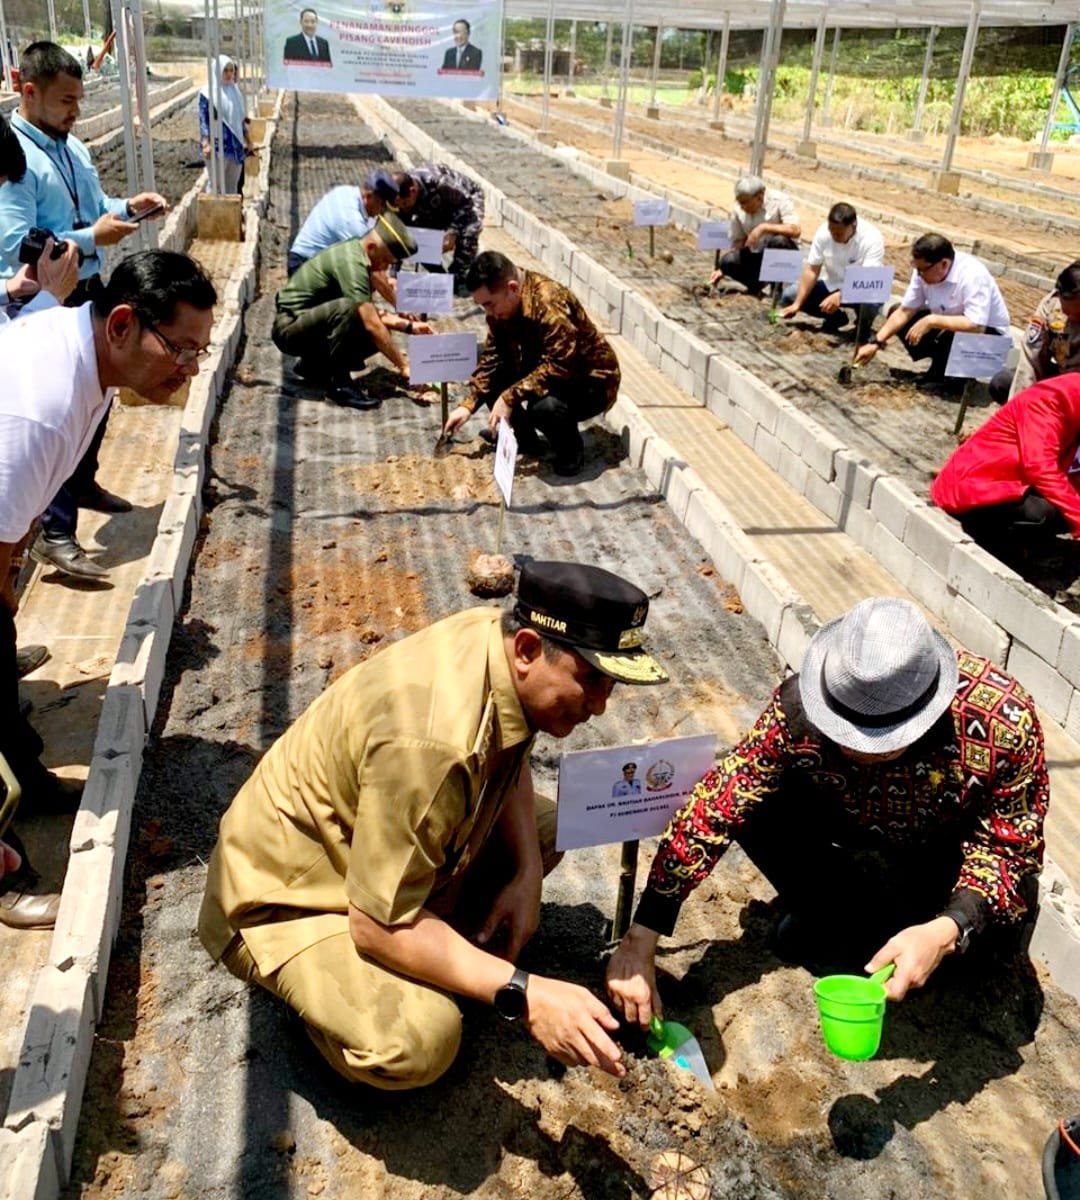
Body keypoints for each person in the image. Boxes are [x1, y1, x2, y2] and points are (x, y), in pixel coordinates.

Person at [199, 560, 669, 1089]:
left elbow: (507, 746)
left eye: (611, 685)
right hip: (284, 895)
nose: (601, 707)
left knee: (544, 831)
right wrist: (527, 993)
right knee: (422, 1041)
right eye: (592, 680)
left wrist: (528, 875)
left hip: (369, 844)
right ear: (528, 650)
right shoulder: (432, 743)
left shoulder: (498, 643)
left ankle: (436, 939)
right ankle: (321, 998)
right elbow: (374, 925)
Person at [606, 596, 1047, 1029]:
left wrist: (945, 930)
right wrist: (641, 937)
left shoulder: (1002, 722)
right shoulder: (800, 708)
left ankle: (913, 928)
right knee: (752, 802)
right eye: (842, 731)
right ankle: (827, 912)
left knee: (975, 943)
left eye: (877, 741)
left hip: (940, 856)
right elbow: (717, 806)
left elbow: (1009, 850)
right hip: (853, 828)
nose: (853, 748)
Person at [0, 250, 217, 930]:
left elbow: (20, 510)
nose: (189, 368)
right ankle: (3, 872)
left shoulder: (88, 361)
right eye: (180, 349)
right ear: (123, 323)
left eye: (199, 353)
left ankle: (30, 783)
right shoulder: (41, 405)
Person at [0, 42, 168, 584]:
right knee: (61, 409)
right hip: (44, 296)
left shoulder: (71, 148)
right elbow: (13, 244)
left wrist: (127, 209)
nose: (75, 110)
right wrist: (91, 237)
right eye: (66, 100)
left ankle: (83, 481)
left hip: (84, 285)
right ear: (29, 91)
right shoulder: (15, 160)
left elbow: (95, 208)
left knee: (98, 396)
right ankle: (54, 532)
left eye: (78, 100)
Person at [442, 251, 622, 476]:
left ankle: (570, 451)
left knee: (544, 408)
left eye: (490, 304)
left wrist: (508, 398)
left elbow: (560, 365)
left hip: (590, 381)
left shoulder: (549, 302)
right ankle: (525, 440)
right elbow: (493, 359)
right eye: (483, 306)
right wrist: (467, 406)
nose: (489, 313)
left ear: (513, 288)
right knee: (494, 378)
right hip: (549, 368)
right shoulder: (501, 309)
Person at [271, 212, 430, 410]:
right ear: (371, 247)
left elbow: (371, 314)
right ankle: (340, 385)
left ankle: (314, 366)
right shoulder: (352, 263)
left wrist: (408, 326)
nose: (385, 267)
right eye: (385, 260)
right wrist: (404, 366)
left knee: (374, 330)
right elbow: (371, 322)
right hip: (289, 328)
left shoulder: (358, 251)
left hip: (309, 322)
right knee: (350, 311)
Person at [930, 374, 1080, 564]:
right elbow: (1040, 467)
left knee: (1063, 507)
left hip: (1012, 481)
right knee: (1044, 513)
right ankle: (995, 542)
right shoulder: (1048, 402)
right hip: (976, 488)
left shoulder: (1071, 407)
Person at [853, 233, 1010, 392]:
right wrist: (876, 343)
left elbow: (976, 325)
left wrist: (931, 320)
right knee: (897, 311)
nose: (919, 274)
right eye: (917, 269)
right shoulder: (923, 271)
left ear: (944, 264)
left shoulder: (972, 275)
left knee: (951, 333)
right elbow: (905, 310)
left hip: (987, 337)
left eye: (923, 270)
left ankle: (955, 379)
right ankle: (938, 368)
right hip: (948, 321)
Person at [779, 202, 885, 336]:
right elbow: (812, 269)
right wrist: (797, 304)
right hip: (832, 284)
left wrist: (841, 294)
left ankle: (862, 329)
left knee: (872, 299)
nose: (834, 236)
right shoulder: (823, 232)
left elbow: (868, 276)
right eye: (831, 231)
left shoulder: (872, 238)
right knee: (790, 295)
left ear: (853, 226)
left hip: (862, 287)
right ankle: (836, 319)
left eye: (839, 233)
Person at [990, 261, 1080, 405]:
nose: (1071, 317)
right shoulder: (1051, 305)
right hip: (1059, 376)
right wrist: (1019, 407)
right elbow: (1031, 359)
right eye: (1067, 312)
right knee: (1003, 383)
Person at [287, 170, 398, 275]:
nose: (381, 212)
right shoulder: (352, 221)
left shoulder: (345, 191)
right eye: (382, 206)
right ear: (369, 196)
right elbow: (370, 266)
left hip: (308, 260)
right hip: (304, 266)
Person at [393, 163, 484, 286]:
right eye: (399, 205)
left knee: (469, 232)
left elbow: (466, 205)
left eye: (405, 204)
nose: (403, 208)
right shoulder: (400, 192)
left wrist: (453, 232)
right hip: (435, 206)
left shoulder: (441, 182)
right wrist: (394, 272)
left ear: (413, 191)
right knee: (419, 240)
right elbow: (399, 232)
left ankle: (458, 276)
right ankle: (440, 275)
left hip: (467, 200)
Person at [710, 174, 801, 297]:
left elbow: (796, 230)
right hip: (758, 255)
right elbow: (738, 242)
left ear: (759, 198)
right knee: (727, 261)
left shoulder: (780, 201)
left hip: (783, 258)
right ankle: (754, 286)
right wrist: (723, 269)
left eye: (745, 203)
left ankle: (777, 291)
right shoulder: (738, 209)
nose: (742, 207)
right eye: (740, 203)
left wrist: (764, 228)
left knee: (779, 241)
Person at [199, 54, 250, 196]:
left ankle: (231, 210)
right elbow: (203, 120)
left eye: (231, 70)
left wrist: (248, 141)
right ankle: (213, 210)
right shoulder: (207, 93)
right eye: (225, 71)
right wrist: (206, 143)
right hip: (216, 147)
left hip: (235, 146)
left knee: (232, 185)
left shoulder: (235, 93)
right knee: (215, 184)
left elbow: (240, 119)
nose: (229, 74)